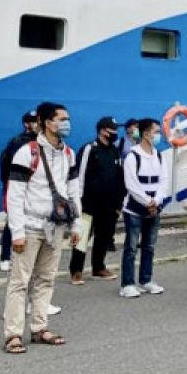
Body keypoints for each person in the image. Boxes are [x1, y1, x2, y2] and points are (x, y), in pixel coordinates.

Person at [2, 103, 80, 354]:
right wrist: (17, 232)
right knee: (19, 282)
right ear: (47, 122)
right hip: (31, 225)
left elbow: (73, 192)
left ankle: (39, 328)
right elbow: (15, 194)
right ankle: (13, 334)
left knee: (46, 279)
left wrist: (76, 225)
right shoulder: (27, 152)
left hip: (55, 226)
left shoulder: (69, 154)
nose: (67, 123)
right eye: (62, 119)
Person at [69, 117, 124, 285]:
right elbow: (80, 175)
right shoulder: (89, 149)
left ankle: (98, 267)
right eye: (112, 130)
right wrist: (79, 201)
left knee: (104, 236)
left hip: (109, 204)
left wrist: (118, 202)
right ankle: (76, 270)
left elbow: (118, 176)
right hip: (89, 203)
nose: (115, 133)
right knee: (83, 237)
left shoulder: (115, 151)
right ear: (102, 131)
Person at [119, 118, 170, 298]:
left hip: (154, 209)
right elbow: (131, 184)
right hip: (134, 209)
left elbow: (164, 181)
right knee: (131, 247)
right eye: (156, 132)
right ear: (146, 134)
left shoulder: (159, 155)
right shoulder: (132, 156)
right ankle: (127, 284)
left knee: (149, 246)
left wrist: (156, 201)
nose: (159, 135)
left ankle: (146, 280)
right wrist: (147, 202)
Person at [0, 110, 37, 272]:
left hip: (36, 188)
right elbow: (6, 165)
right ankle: (5, 257)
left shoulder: (43, 141)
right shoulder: (17, 142)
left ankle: (28, 255)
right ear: (26, 124)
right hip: (18, 185)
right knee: (12, 220)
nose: (36, 124)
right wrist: (10, 185)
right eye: (33, 121)